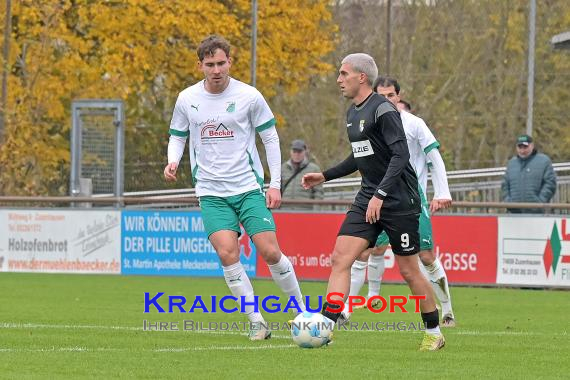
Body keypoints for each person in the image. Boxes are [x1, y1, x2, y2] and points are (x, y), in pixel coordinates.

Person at [163, 35, 305, 341]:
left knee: (269, 251)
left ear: (231, 62)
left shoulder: (249, 96)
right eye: (210, 64)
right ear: (200, 65)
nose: (216, 69)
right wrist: (172, 161)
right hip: (211, 191)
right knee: (227, 253)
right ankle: (256, 321)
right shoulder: (187, 98)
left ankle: (301, 313)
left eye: (221, 63)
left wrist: (275, 184)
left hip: (248, 187)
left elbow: (270, 138)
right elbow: (177, 135)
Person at [302, 54, 445, 351]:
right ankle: (326, 326)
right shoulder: (352, 113)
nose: (339, 80)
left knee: (409, 271)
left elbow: (401, 155)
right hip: (368, 197)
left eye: (343, 74)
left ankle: (434, 331)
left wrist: (381, 195)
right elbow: (360, 156)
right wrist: (325, 176)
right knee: (340, 258)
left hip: (398, 200)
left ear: (361, 77)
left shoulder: (383, 110)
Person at [342, 76, 456, 328]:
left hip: (408, 197)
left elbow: (433, 155)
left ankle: (447, 311)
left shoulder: (414, 124)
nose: (386, 100)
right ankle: (347, 310)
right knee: (362, 251)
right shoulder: (369, 121)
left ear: (399, 97)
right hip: (377, 195)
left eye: (391, 96)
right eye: (381, 96)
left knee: (425, 256)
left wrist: (442, 191)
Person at [501, 134, 557, 213]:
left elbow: (550, 183)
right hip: (514, 213)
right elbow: (505, 185)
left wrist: (540, 202)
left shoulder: (544, 161)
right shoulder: (511, 163)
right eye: (520, 147)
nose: (522, 150)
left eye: (525, 147)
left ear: (532, 146)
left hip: (537, 213)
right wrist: (508, 202)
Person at [281, 139, 324, 209]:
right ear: (290, 152)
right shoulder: (282, 168)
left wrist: (316, 211)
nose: (296, 154)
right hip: (284, 210)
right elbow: (277, 190)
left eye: (299, 151)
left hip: (305, 211)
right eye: (294, 151)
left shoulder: (314, 169)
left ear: (305, 152)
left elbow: (318, 193)